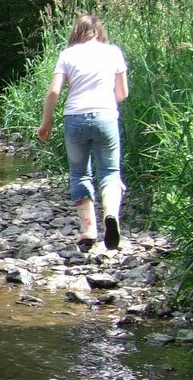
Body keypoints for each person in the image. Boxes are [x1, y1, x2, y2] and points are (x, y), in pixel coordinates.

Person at [37, 14, 129, 251]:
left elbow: (53, 92)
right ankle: (110, 215)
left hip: (74, 118)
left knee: (80, 174)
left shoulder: (68, 55)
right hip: (106, 115)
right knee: (109, 171)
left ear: (77, 31)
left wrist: (46, 123)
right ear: (99, 31)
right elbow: (123, 94)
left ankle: (88, 231)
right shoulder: (113, 52)